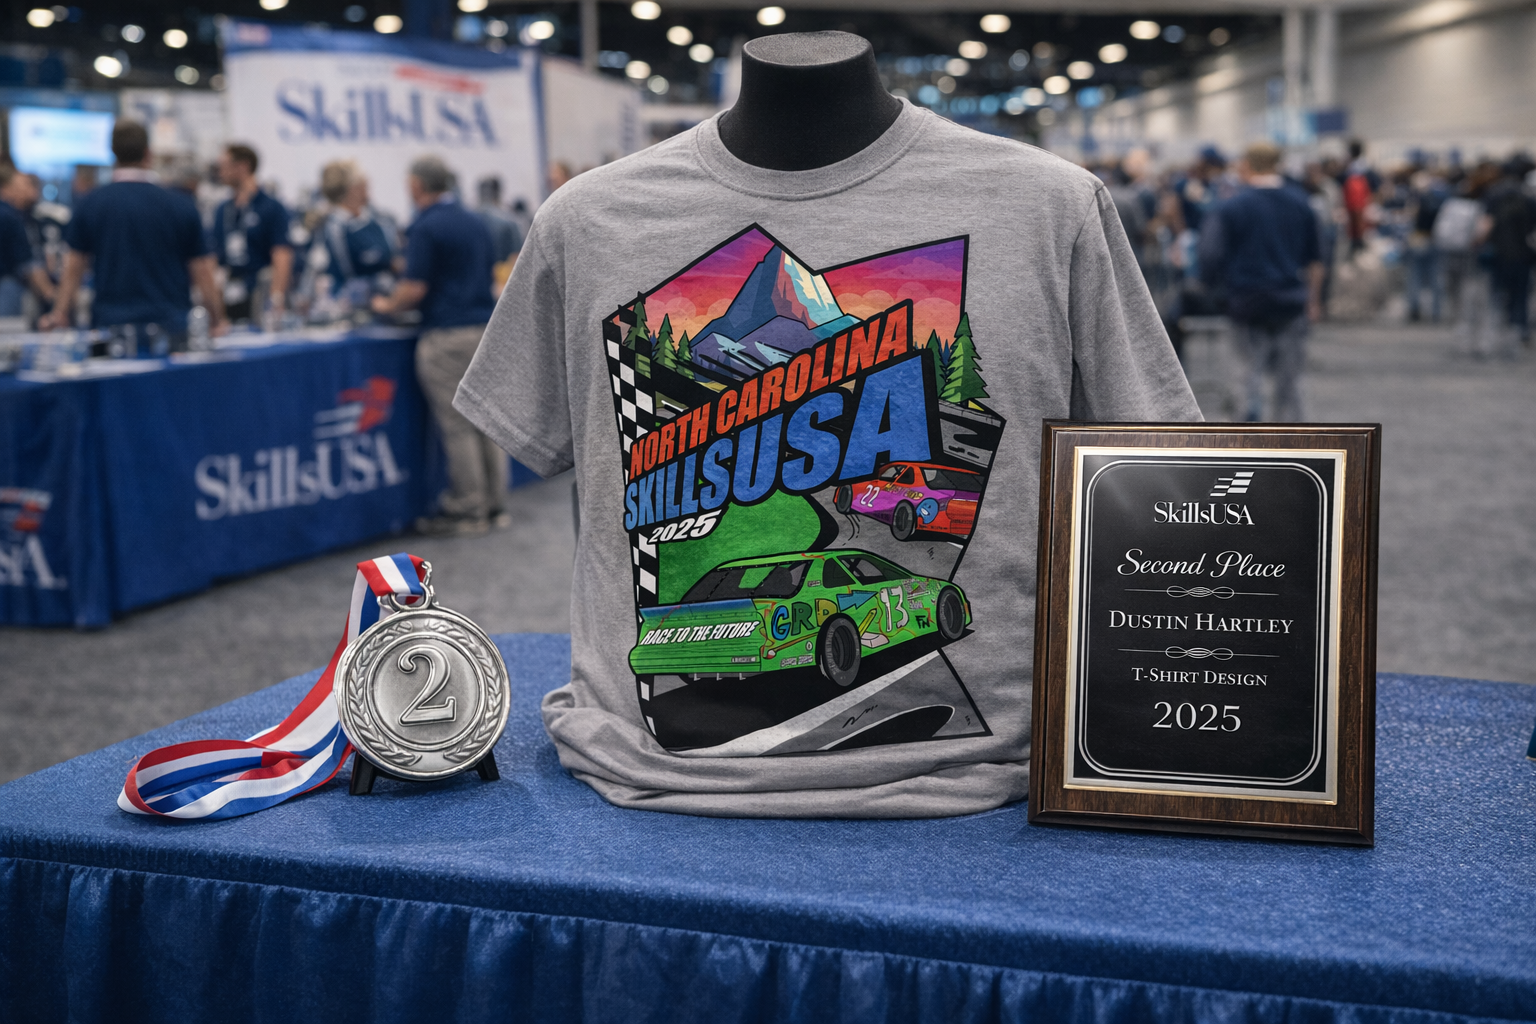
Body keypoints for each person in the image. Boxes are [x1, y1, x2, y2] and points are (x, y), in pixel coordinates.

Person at [371, 156, 504, 535]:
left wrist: (385, 306)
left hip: (446, 335)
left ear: (416, 185)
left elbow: (414, 289)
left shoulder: (426, 226)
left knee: (458, 424)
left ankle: (468, 507)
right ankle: (495, 504)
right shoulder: (475, 221)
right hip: (483, 329)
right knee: (486, 420)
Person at [39, 122, 227, 338]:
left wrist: (59, 313)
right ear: (148, 153)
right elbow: (202, 270)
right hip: (171, 328)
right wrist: (216, 319)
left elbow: (73, 268)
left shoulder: (91, 204)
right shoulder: (181, 205)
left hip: (111, 329)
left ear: (113, 153)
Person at [1201, 140, 1324, 421]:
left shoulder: (1232, 206)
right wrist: (1314, 301)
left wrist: (1214, 290)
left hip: (1246, 300)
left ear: (1247, 165)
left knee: (1246, 374)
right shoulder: (1301, 203)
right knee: (1290, 381)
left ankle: (1247, 432)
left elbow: (1210, 253)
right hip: (1290, 300)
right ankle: (1290, 436)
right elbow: (1316, 260)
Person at [212, 143, 293, 324]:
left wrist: (276, 298)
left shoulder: (271, 207)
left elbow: (282, 255)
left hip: (259, 292)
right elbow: (214, 258)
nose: (220, 171)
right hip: (230, 292)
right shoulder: (223, 210)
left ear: (243, 166)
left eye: (224, 165)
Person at [316, 159, 400, 297]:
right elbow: (346, 269)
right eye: (361, 184)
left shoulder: (378, 220)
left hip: (383, 297)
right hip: (348, 300)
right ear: (350, 189)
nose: (365, 187)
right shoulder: (333, 227)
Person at [0, 165, 55, 317]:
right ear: (6, 188)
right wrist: (51, 295)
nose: (30, 192)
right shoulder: (10, 217)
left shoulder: (24, 216)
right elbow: (28, 265)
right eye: (22, 185)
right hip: (6, 286)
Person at [474, 175, 523, 265]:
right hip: (504, 271)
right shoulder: (510, 222)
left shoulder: (470, 222)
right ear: (498, 192)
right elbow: (516, 258)